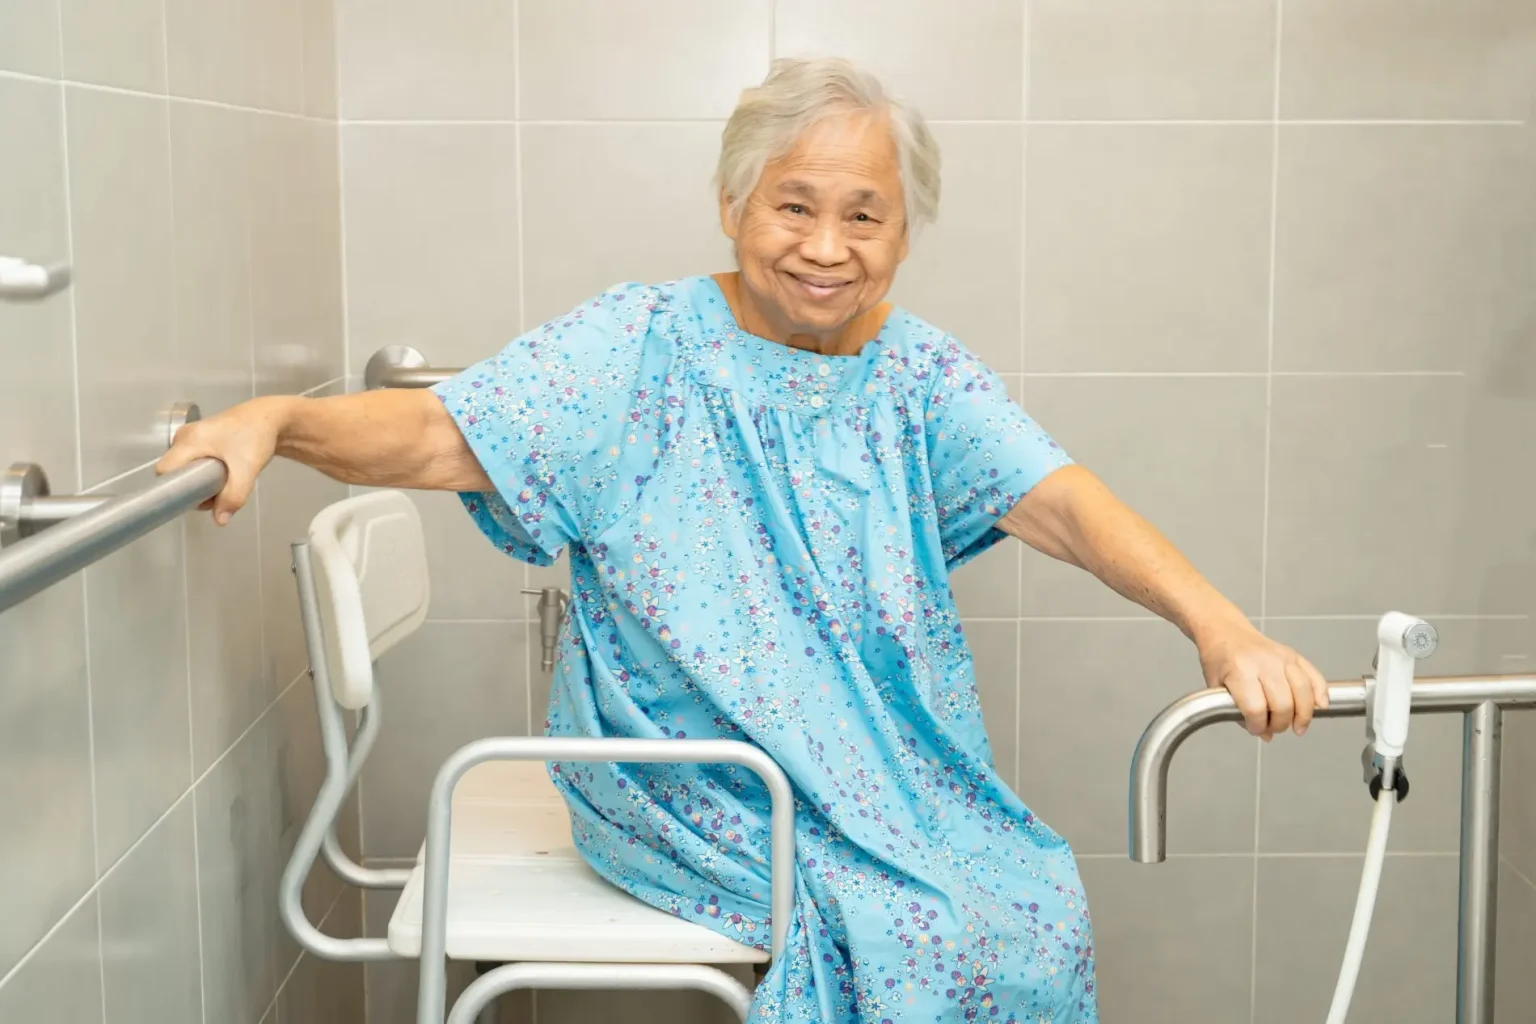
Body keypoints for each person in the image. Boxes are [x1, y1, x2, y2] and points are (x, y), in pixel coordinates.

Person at [160, 57, 1326, 1023]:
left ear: (903, 232)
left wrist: (1219, 629)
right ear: (734, 206)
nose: (826, 246)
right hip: (681, 774)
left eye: (862, 215)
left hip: (877, 764)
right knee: (917, 927)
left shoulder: (915, 370)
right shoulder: (638, 348)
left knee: (1033, 902)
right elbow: (432, 433)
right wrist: (280, 422)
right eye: (794, 206)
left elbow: (1061, 498)